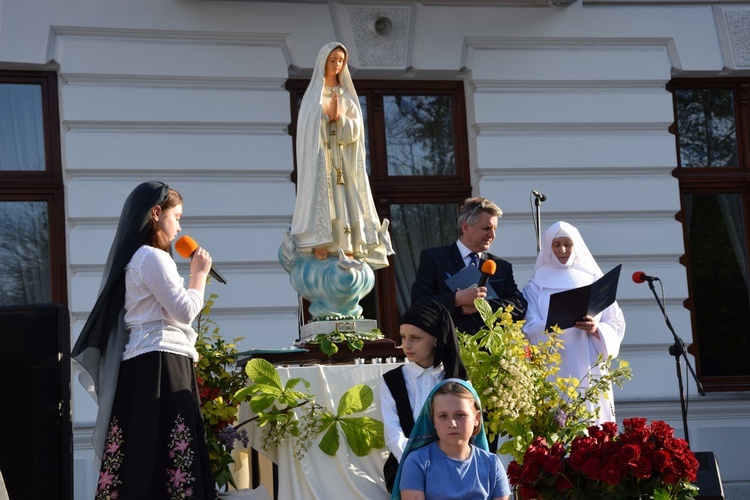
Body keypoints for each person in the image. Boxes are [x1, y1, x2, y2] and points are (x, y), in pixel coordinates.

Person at [71, 181, 216, 499]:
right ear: (156, 213)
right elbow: (184, 310)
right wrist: (199, 274)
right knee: (172, 455)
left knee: (143, 454)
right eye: (176, 216)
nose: (179, 227)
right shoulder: (152, 257)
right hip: (160, 363)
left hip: (146, 366)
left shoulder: (139, 259)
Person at [288, 41, 392, 270]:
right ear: (324, 62)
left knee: (346, 198)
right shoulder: (313, 95)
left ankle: (348, 243)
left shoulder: (347, 94)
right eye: (333, 60)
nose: (337, 65)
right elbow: (307, 128)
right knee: (323, 197)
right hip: (322, 156)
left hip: (344, 158)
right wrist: (324, 119)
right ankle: (322, 242)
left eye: (341, 61)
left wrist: (340, 120)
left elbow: (356, 128)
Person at [522, 221, 626, 424]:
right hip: (553, 364)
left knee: (590, 418)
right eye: (556, 244)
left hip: (588, 361)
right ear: (548, 247)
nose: (562, 250)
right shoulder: (535, 287)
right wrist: (554, 322)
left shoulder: (594, 279)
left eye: (567, 244)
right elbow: (527, 326)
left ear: (575, 245)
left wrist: (596, 329)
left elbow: (615, 322)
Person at [380, 298, 468, 493]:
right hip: (405, 466)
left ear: (436, 338)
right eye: (403, 337)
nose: (406, 345)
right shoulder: (391, 381)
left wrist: (445, 465)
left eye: (415, 337)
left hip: (455, 464)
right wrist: (421, 467)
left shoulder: (457, 380)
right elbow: (394, 435)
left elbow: (467, 431)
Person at [411, 197, 527, 334]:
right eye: (486, 228)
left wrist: (484, 306)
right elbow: (419, 304)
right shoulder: (435, 259)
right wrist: (457, 300)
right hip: (449, 348)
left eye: (495, 229)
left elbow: (519, 306)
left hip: (489, 352)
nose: (492, 235)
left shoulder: (501, 266)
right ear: (465, 227)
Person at [393, 379, 510, 500]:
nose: (452, 424)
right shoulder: (417, 462)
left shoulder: (492, 464)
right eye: (443, 416)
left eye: (460, 415)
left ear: (477, 418)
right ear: (433, 420)